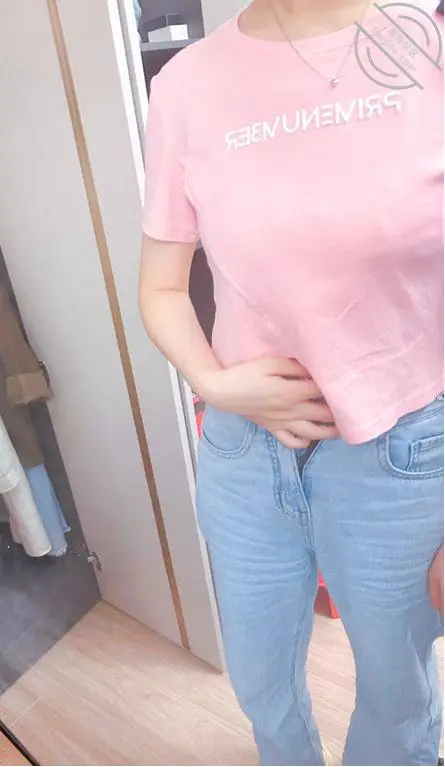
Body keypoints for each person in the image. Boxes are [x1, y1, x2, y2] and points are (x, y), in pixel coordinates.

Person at [139, 0, 444, 763]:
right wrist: (215, 383)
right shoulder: (186, 84)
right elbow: (162, 286)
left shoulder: (429, 44)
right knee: (261, 686)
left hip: (400, 451)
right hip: (242, 452)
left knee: (396, 700)